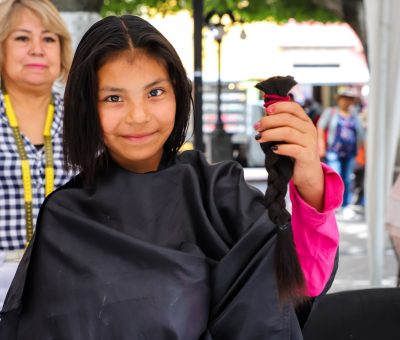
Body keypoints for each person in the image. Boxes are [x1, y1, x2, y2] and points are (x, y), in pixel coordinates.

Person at [0, 15, 343, 339]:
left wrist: (310, 181)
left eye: (155, 92)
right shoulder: (65, 218)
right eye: (114, 98)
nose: (139, 116)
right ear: (87, 107)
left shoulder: (221, 193)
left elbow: (302, 284)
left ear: (178, 93)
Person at [0, 0, 73, 309]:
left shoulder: (85, 120)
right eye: (22, 38)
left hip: (70, 290)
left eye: (48, 38)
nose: (37, 49)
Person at [317, 87, 365, 212]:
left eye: (349, 99)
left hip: (350, 152)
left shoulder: (354, 114)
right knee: (335, 176)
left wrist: (362, 150)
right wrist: (321, 145)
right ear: (339, 99)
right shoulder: (331, 112)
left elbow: (360, 133)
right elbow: (320, 128)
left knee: (347, 178)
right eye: (344, 98)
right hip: (334, 151)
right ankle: (333, 204)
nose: (346, 101)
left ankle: (345, 205)